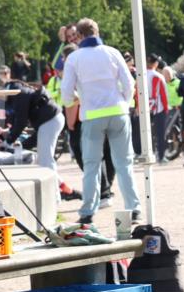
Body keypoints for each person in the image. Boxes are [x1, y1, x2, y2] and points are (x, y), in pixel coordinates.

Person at [60, 18, 141, 225]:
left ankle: (88, 212)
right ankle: (134, 208)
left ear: (79, 35)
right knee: (124, 163)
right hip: (118, 112)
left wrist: (74, 99)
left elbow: (66, 91)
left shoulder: (74, 58)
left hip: (92, 116)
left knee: (91, 166)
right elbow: (129, 83)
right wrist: (124, 102)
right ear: (97, 32)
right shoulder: (112, 52)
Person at [3, 79, 69, 194]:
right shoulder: (20, 91)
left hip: (49, 120)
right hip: (52, 119)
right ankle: (64, 188)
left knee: (46, 161)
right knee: (41, 161)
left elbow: (21, 122)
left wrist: (7, 142)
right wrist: (21, 144)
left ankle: (55, 196)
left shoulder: (18, 93)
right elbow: (20, 123)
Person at [145, 54, 170, 164]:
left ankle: (147, 154)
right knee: (160, 133)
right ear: (156, 63)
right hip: (158, 108)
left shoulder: (141, 75)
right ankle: (161, 156)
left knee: (146, 132)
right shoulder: (158, 76)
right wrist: (166, 108)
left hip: (145, 107)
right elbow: (163, 94)